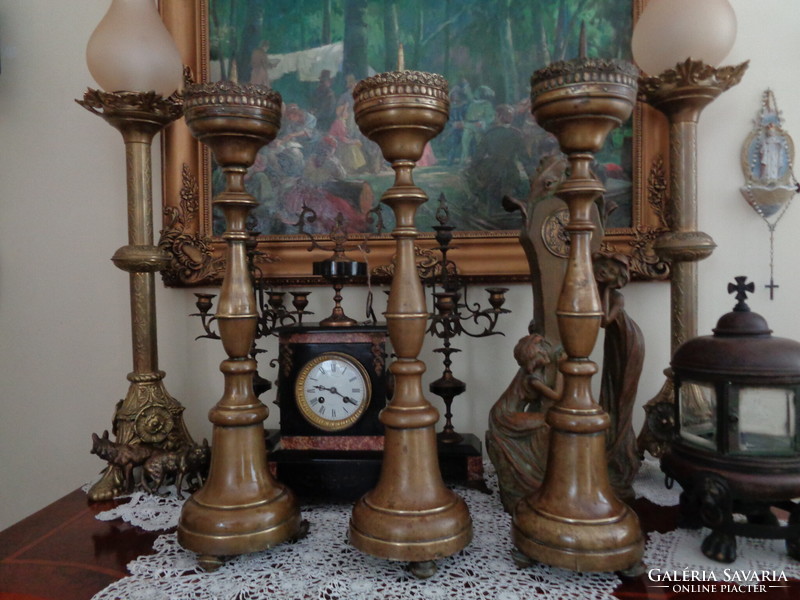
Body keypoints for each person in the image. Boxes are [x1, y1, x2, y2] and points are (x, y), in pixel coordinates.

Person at [486, 332, 563, 513]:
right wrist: (560, 368)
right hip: (505, 415)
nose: (546, 356)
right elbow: (557, 396)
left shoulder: (532, 373)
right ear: (532, 357)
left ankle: (536, 474)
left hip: (507, 413)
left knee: (545, 425)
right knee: (546, 423)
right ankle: (534, 476)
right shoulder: (532, 379)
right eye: (542, 353)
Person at [593, 252, 644, 501]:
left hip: (629, 343)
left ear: (619, 278)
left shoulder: (617, 297)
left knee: (622, 400)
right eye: (601, 268)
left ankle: (621, 458)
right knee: (610, 392)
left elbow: (604, 320)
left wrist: (605, 289)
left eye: (610, 271)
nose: (603, 272)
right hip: (614, 343)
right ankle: (607, 454)